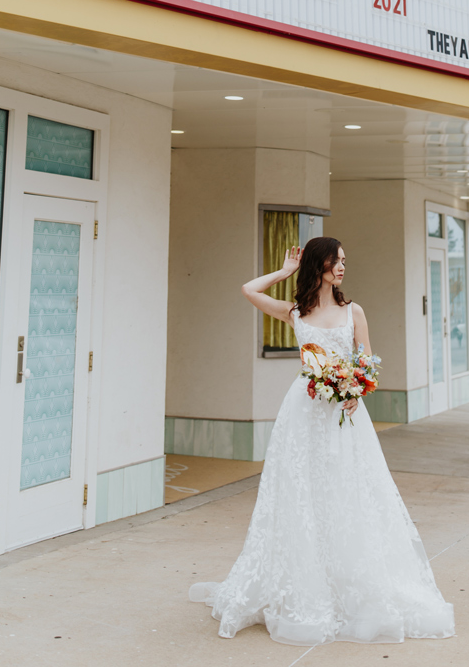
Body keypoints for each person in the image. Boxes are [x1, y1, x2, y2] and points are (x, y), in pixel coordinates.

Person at [189, 235, 455, 644]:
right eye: (336, 260)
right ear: (319, 265)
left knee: (349, 493)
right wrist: (284, 271)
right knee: (301, 494)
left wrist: (356, 391)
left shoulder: (354, 311)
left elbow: (368, 361)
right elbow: (248, 290)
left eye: (345, 260)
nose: (343, 267)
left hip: (344, 413)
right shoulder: (295, 312)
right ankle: (304, 585)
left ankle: (351, 585)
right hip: (303, 412)